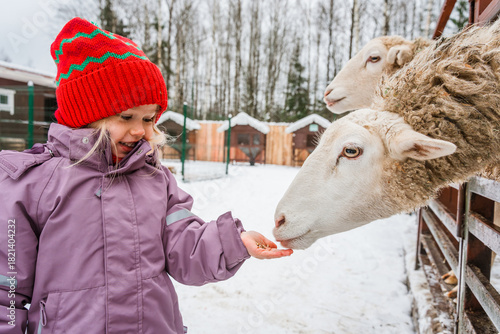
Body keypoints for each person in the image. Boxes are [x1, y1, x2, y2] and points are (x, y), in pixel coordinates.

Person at [0, 17, 292, 334]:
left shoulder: (156, 180)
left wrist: (233, 242)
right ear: (86, 115)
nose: (140, 130)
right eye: (126, 116)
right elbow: (6, 290)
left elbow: (183, 245)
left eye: (149, 118)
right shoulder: (33, 186)